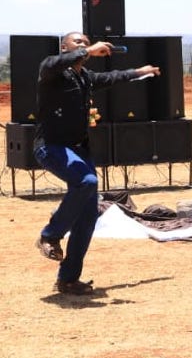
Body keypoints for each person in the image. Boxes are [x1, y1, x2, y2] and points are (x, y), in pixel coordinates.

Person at [35, 32, 160, 295]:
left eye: (85, 41)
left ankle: (68, 279)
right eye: (77, 42)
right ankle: (49, 235)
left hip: (79, 150)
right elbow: (57, 63)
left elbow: (112, 77)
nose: (82, 44)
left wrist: (139, 71)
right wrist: (90, 50)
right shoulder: (51, 69)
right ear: (64, 47)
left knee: (89, 215)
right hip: (53, 147)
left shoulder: (85, 78)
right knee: (87, 181)